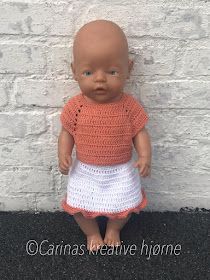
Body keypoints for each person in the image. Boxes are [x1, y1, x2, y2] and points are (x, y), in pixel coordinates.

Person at [58, 20, 151, 252]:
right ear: (74, 71)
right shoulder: (76, 107)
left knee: (125, 203)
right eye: (89, 72)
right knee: (78, 206)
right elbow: (67, 132)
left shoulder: (129, 106)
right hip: (85, 170)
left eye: (111, 71)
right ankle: (91, 233)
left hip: (120, 169)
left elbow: (140, 132)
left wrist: (144, 155)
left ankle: (114, 228)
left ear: (128, 68)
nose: (100, 79)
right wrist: (63, 153)